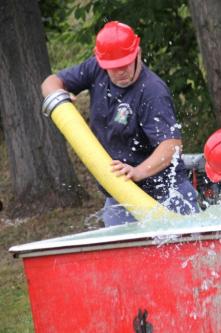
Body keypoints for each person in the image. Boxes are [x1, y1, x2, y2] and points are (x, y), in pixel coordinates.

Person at [41, 21, 199, 226]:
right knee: (121, 254)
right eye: (113, 68)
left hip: (167, 195)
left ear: (138, 52)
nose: (120, 72)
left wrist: (137, 172)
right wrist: (57, 96)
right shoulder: (95, 67)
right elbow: (50, 82)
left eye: (126, 63)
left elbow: (171, 146)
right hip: (120, 195)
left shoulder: (152, 91)